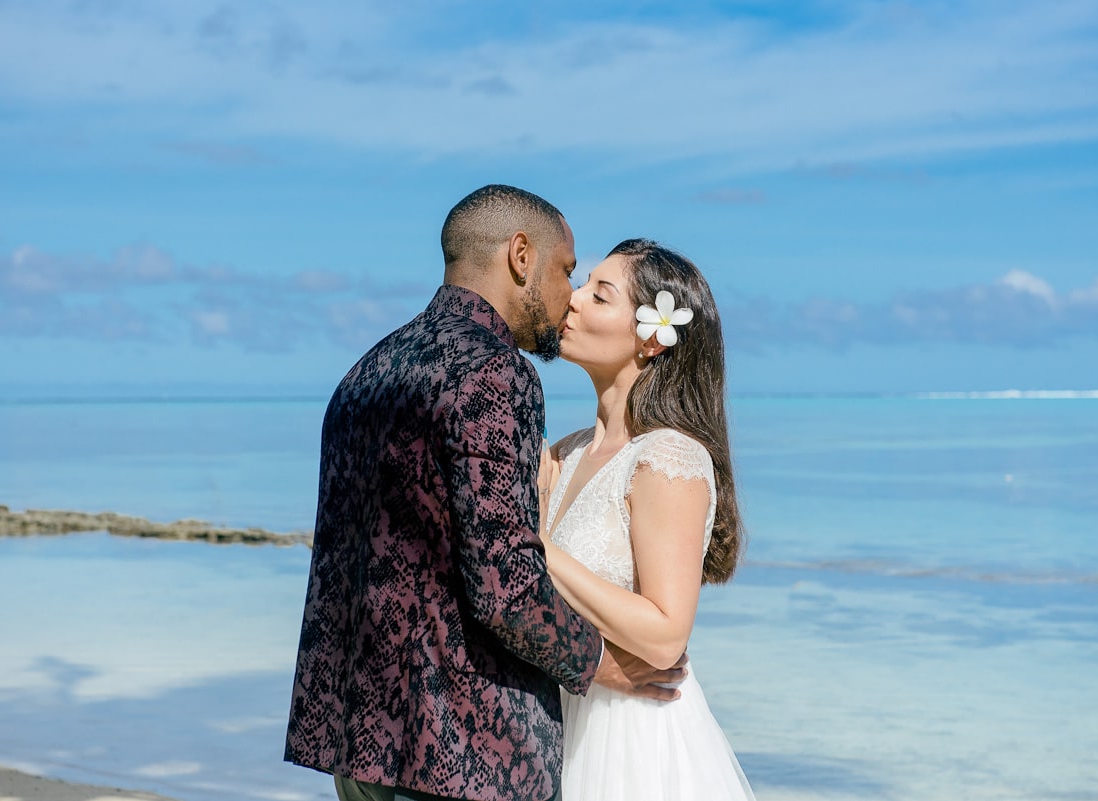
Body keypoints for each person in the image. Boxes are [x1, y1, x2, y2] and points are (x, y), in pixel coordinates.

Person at [284, 186, 686, 801]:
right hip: (466, 750)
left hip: (360, 742)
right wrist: (604, 668)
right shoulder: (496, 373)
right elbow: (506, 585)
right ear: (521, 256)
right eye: (566, 271)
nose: (567, 297)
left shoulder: (365, 373)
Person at [539, 239, 757, 800]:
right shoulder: (564, 453)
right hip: (557, 721)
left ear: (652, 338)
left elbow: (665, 635)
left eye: (599, 294)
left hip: (631, 740)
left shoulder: (670, 458)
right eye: (583, 284)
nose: (574, 299)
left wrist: (536, 548)